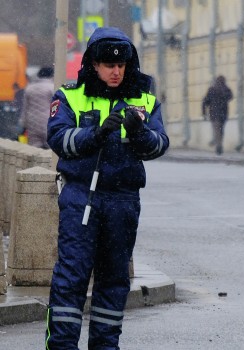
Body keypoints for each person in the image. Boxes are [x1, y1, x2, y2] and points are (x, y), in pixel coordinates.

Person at [45, 27, 169, 349]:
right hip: (80, 198)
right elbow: (59, 139)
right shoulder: (70, 95)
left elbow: (159, 145)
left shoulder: (144, 99)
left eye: (121, 65)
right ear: (94, 65)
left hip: (123, 202)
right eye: (107, 65)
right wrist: (96, 135)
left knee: (114, 283)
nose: (115, 72)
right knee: (70, 281)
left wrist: (140, 133)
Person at [19, 67, 54, 148]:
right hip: (48, 122)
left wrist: (23, 124)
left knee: (34, 149)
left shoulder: (30, 88)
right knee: (50, 150)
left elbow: (25, 108)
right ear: (51, 75)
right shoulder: (52, 87)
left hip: (32, 122)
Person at [202, 75, 233, 155]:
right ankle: (218, 144)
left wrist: (204, 113)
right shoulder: (225, 89)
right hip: (223, 114)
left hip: (214, 114)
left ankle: (218, 145)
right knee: (221, 131)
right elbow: (230, 97)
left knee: (217, 131)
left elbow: (205, 102)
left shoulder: (212, 89)